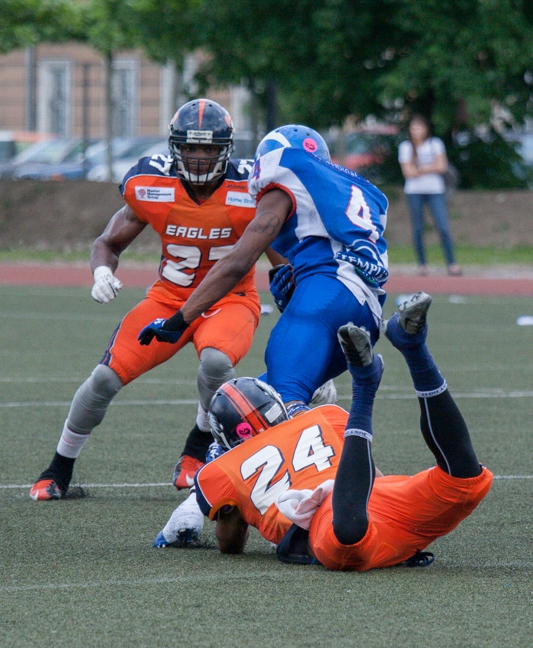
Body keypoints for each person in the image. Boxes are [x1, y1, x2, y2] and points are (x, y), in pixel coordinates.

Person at [29, 98, 280, 501]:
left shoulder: (250, 189)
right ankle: (58, 468)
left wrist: (296, 293)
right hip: (167, 299)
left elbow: (280, 256)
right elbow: (108, 241)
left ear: (226, 150)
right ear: (174, 147)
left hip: (230, 300)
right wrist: (102, 270)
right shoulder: (152, 185)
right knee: (103, 379)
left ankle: (195, 452)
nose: (199, 158)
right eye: (191, 148)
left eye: (209, 149)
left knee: (216, 363)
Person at [155, 293, 492, 570]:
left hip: (336, 518)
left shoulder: (220, 469)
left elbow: (229, 545)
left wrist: (235, 511)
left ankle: (364, 387)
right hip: (380, 502)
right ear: (275, 405)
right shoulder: (324, 414)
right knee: (464, 483)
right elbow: (371, 475)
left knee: (346, 541)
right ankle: (414, 350)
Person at [138, 124, 390, 419]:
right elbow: (338, 254)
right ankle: (356, 456)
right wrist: (297, 295)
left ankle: (342, 460)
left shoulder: (288, 171)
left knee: (284, 406)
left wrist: (179, 320)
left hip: (326, 295)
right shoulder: (354, 187)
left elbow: (238, 261)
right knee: (247, 411)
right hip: (368, 312)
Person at [398, 115, 461, 277]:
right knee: (418, 229)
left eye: (419, 127)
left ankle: (452, 263)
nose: (416, 131)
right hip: (414, 192)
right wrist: (429, 167)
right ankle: (422, 264)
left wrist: (420, 169)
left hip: (435, 190)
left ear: (425, 129)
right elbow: (408, 172)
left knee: (443, 227)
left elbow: (442, 166)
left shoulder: (435, 144)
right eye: (413, 128)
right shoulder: (405, 147)